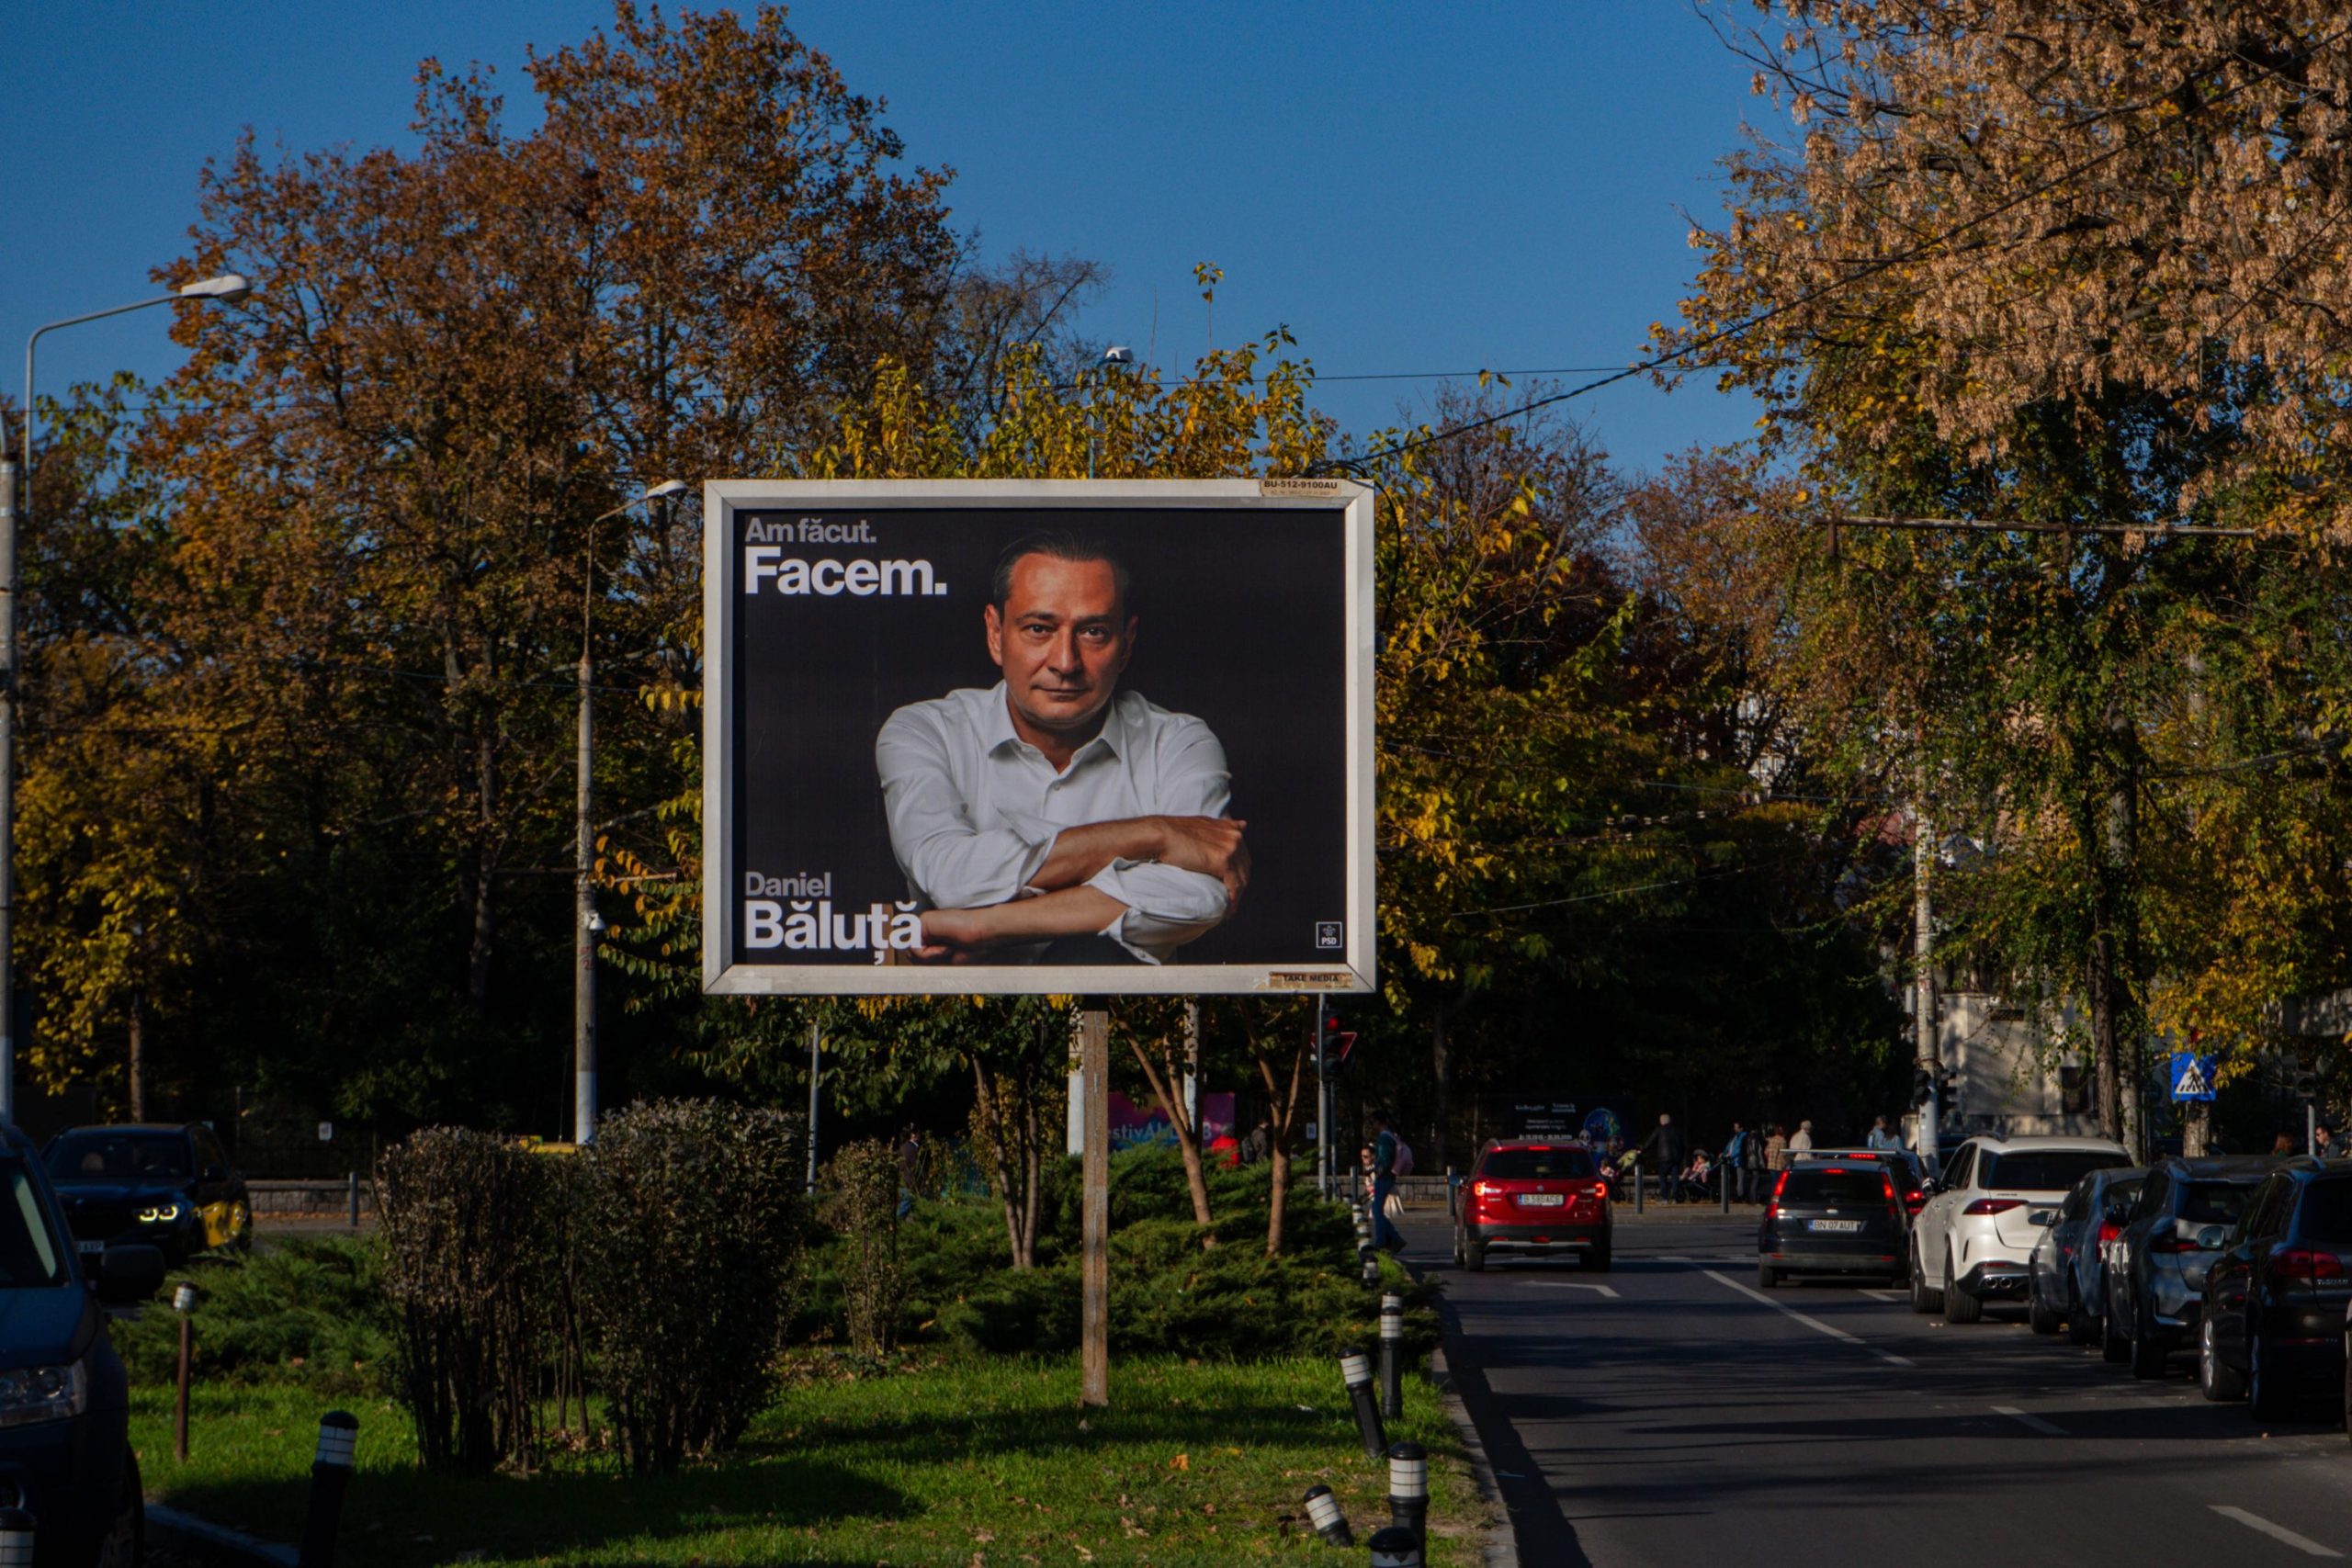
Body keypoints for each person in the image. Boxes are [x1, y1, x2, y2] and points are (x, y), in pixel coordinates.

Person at [876, 530, 1250, 964]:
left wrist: (985, 927)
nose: (1066, 663)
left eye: (1092, 632)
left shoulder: (1179, 743)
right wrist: (1156, 834)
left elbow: (1202, 897)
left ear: (1126, 645)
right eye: (1039, 629)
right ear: (996, 634)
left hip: (1120, 1017)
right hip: (962, 1020)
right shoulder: (924, 731)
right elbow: (951, 877)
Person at [1370, 1114, 1405, 1252]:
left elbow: (1385, 1158)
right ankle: (1387, 1238)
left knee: (1377, 1209)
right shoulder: (1391, 1136)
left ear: (1379, 1123)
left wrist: (1378, 1171)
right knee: (1376, 1208)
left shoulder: (1384, 1138)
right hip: (1388, 1176)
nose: (1373, 1126)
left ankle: (1387, 1239)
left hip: (1384, 1177)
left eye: (1374, 1123)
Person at [1640, 1113, 1686, 1203]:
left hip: (1663, 1158)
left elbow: (1651, 1141)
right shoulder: (1676, 1130)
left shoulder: (1659, 1130)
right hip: (1675, 1158)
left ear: (1662, 1121)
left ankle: (1664, 1197)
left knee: (1662, 1178)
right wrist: (1680, 1156)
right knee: (1675, 1178)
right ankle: (1674, 1198)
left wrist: (1642, 1150)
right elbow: (1682, 1145)